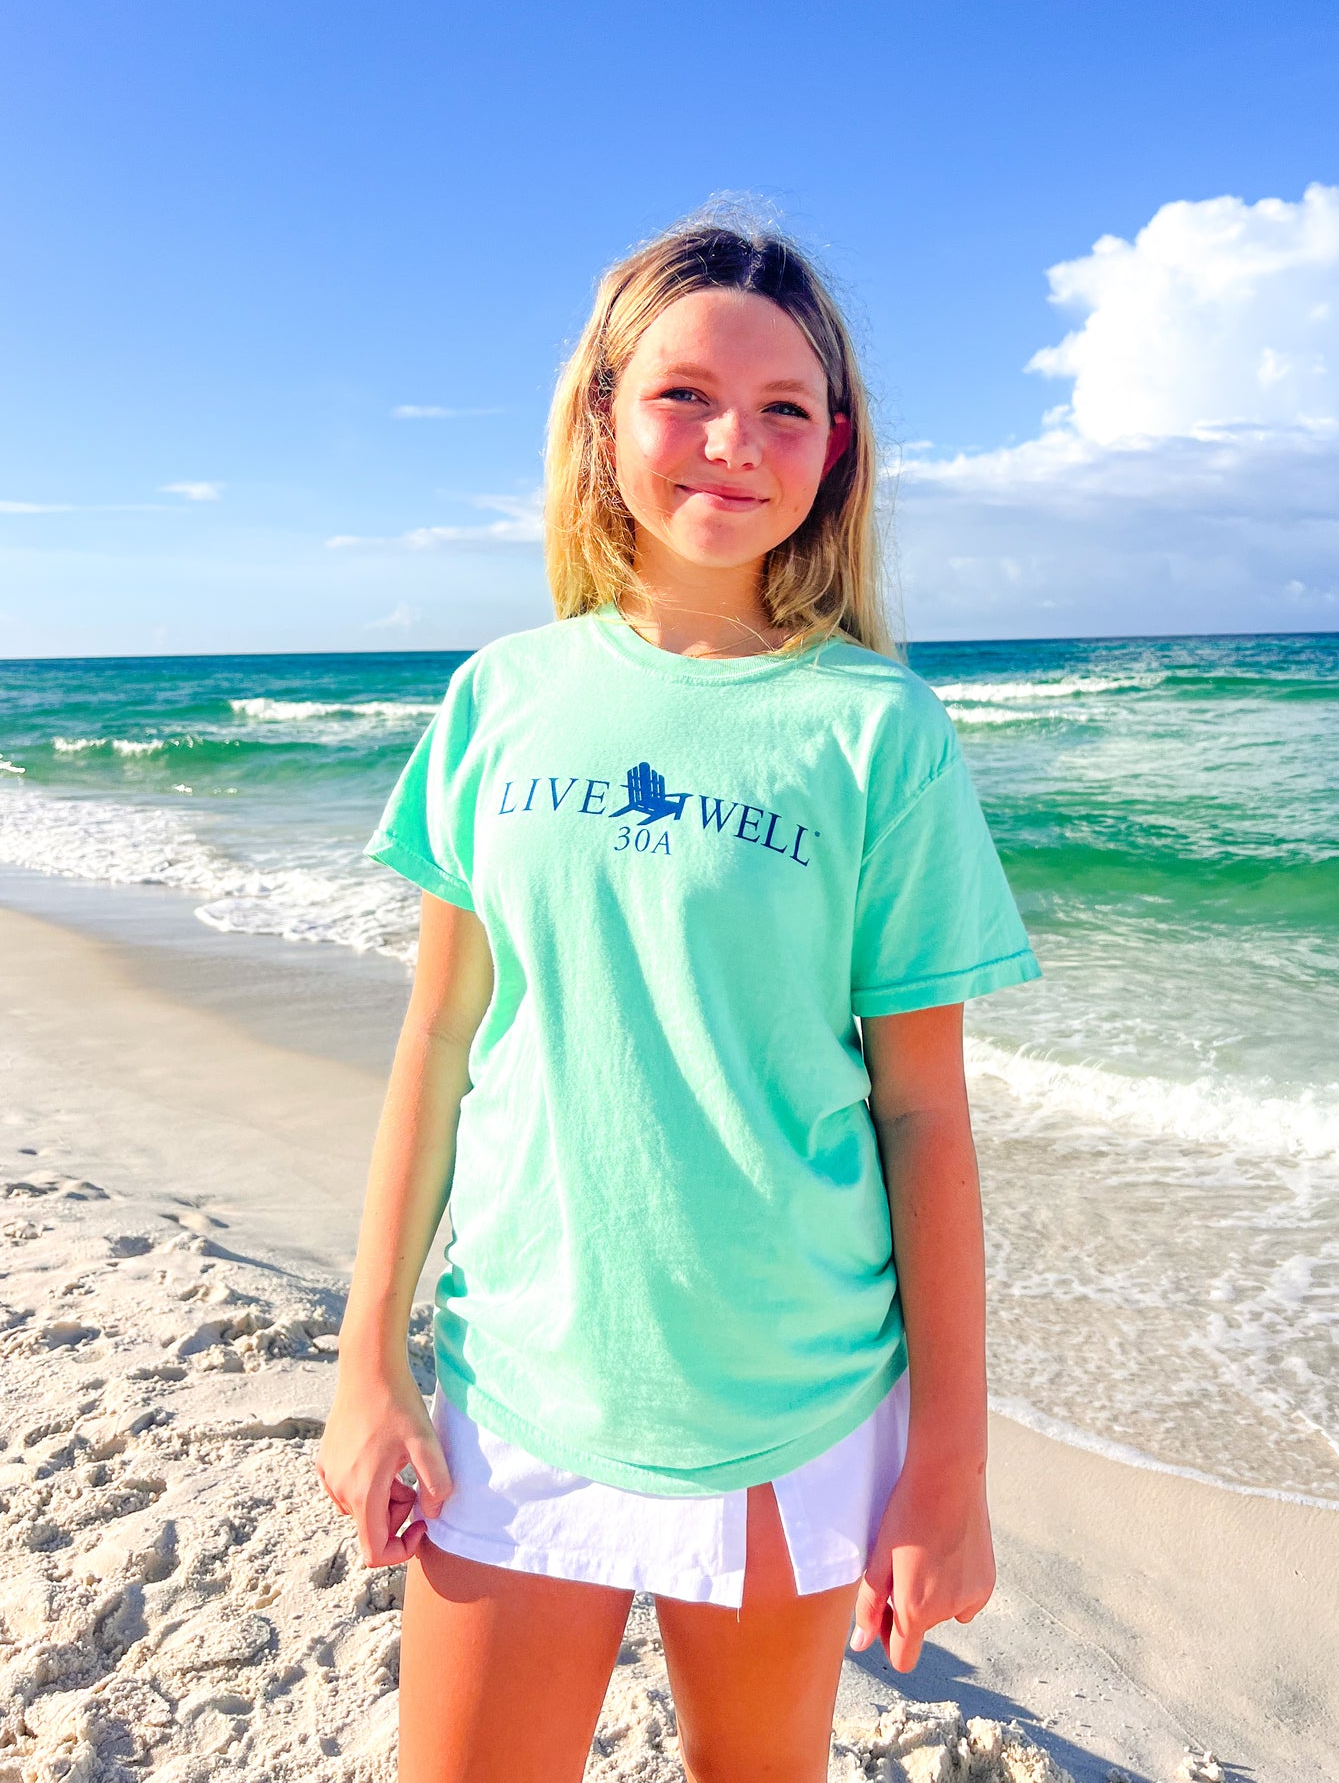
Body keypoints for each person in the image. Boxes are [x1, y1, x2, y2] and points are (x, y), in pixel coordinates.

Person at [315, 216, 1040, 1781]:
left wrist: (950, 1470)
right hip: (517, 1385)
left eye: (787, 408)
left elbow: (920, 1111)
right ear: (601, 418)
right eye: (686, 395)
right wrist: (368, 1356)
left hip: (796, 1402)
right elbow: (440, 1042)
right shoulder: (501, 698)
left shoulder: (877, 734)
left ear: (836, 451)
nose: (734, 443)